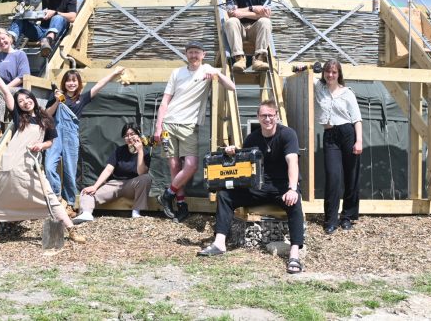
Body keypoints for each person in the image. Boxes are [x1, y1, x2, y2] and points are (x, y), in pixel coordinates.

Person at [0, 63, 85, 245]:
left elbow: (51, 141)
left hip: (31, 165)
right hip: (11, 163)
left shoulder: (46, 119)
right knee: (0, 198)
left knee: (50, 197)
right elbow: (5, 92)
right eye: (20, 101)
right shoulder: (19, 116)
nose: (25, 102)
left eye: (27, 98)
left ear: (33, 99)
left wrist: (41, 145)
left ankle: (71, 230)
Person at [197, 100, 305, 274]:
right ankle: (220, 243)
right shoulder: (252, 138)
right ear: (258, 117)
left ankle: (294, 254)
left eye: (271, 115)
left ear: (277, 116)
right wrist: (233, 153)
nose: (267, 119)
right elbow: (244, 164)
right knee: (225, 195)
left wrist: (292, 188)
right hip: (259, 186)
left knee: (295, 202)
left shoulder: (288, 134)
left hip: (282, 186)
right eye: (264, 115)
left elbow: (292, 161)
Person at [153, 41, 236, 221]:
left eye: (197, 52)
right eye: (190, 52)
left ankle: (167, 195)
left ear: (203, 55)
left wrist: (217, 75)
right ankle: (181, 203)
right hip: (168, 123)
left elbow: (231, 86)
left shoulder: (208, 69)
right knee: (174, 166)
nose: (193, 55)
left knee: (191, 165)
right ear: (186, 54)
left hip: (189, 125)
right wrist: (158, 126)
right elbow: (165, 101)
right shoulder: (177, 73)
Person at [45, 67, 125, 218]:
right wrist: (56, 100)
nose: (71, 83)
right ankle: (57, 196)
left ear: (79, 83)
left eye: (74, 81)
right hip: (55, 134)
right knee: (49, 167)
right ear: (64, 83)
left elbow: (99, 85)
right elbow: (47, 114)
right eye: (68, 81)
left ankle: (69, 203)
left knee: (70, 171)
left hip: (71, 135)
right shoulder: (56, 95)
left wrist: (114, 73)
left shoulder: (82, 98)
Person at [314, 59, 362, 234]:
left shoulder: (347, 93)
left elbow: (357, 119)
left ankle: (347, 216)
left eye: (334, 72)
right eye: (327, 71)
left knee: (351, 175)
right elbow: (303, 75)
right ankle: (331, 220)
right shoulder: (319, 88)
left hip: (348, 133)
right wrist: (313, 66)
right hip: (330, 136)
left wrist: (359, 141)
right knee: (333, 176)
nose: (330, 75)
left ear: (339, 74)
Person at [73, 123, 153, 224]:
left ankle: (136, 211)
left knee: (146, 178)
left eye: (132, 134)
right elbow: (108, 170)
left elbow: (141, 172)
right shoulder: (119, 151)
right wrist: (95, 186)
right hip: (115, 184)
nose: (129, 137)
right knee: (87, 192)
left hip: (132, 185)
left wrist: (140, 151)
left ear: (138, 135)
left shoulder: (145, 152)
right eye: (126, 135)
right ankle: (86, 213)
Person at [8, 0, 77, 57]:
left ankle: (47, 41)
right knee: (19, 19)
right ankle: (9, 41)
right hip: (41, 31)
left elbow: (73, 17)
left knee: (57, 17)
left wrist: (55, 12)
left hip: (57, 33)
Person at [224, 0, 272, 73]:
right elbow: (231, 14)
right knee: (231, 21)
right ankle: (239, 59)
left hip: (256, 30)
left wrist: (241, 13)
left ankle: (259, 59)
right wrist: (253, 8)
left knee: (265, 22)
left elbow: (266, 16)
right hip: (239, 29)